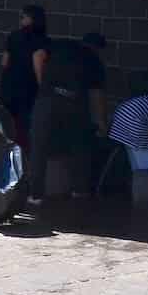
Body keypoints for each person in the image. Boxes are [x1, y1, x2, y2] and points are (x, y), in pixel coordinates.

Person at [27, 31, 110, 204]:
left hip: (48, 99)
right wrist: (102, 123)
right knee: (80, 145)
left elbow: (37, 54)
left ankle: (35, 195)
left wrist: (42, 84)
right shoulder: (94, 60)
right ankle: (79, 191)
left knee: (39, 146)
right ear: (98, 48)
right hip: (75, 103)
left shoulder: (61, 45)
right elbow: (96, 96)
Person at [0, 5, 49, 136]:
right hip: (28, 88)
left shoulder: (13, 36)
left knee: (7, 128)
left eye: (23, 17)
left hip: (9, 87)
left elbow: (4, 62)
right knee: (26, 129)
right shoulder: (43, 41)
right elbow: (38, 65)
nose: (20, 21)